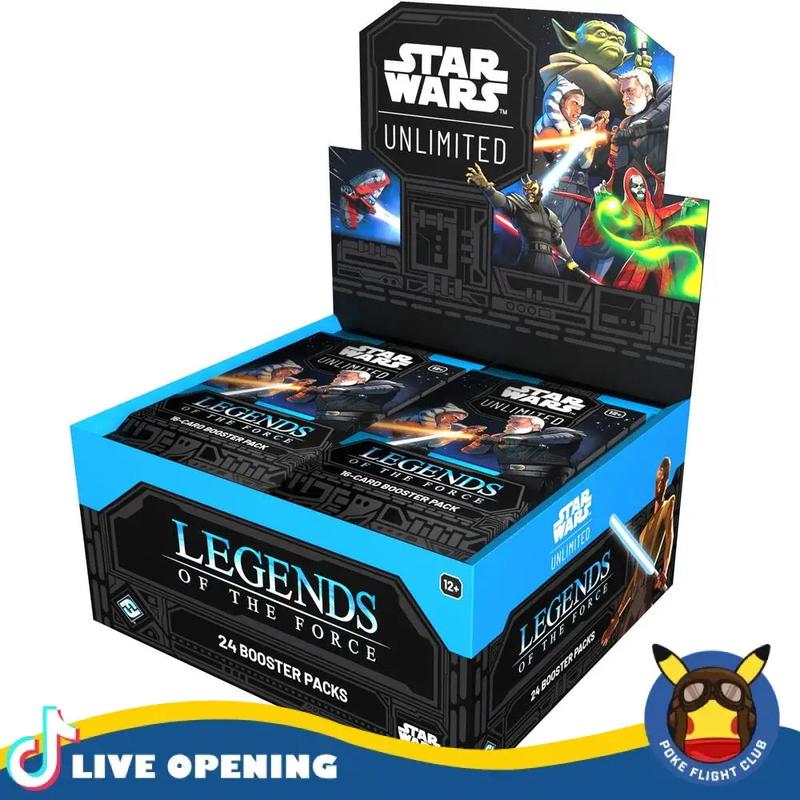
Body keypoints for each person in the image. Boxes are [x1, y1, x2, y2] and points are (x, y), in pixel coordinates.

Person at [601, 457, 675, 646]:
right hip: (636, 592)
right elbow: (634, 579)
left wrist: (665, 570)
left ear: (667, 481)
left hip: (646, 590)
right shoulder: (647, 526)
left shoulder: (668, 505)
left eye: (663, 480)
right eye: (657, 481)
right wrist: (615, 619)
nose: (659, 485)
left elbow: (669, 537)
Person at [465, 164, 582, 278]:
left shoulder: (549, 214)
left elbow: (557, 240)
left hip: (548, 260)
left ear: (540, 190)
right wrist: (487, 188)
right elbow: (503, 202)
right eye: (527, 190)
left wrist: (569, 259)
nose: (530, 192)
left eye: (533, 189)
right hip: (530, 255)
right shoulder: (520, 204)